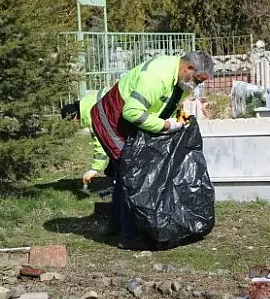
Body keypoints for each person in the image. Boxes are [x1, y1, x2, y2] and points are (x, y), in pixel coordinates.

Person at [90, 50, 214, 249]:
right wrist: (165, 126)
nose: (197, 85)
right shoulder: (158, 75)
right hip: (112, 121)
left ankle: (116, 227)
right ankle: (130, 235)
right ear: (188, 68)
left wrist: (179, 118)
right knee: (130, 172)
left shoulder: (183, 80)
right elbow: (131, 112)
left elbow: (169, 103)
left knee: (128, 173)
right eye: (198, 80)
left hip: (132, 123)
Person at [60, 88, 112, 186]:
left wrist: (94, 169)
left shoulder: (91, 117)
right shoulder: (88, 101)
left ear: (74, 117)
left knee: (118, 164)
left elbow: (100, 145)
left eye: (71, 122)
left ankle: (119, 189)